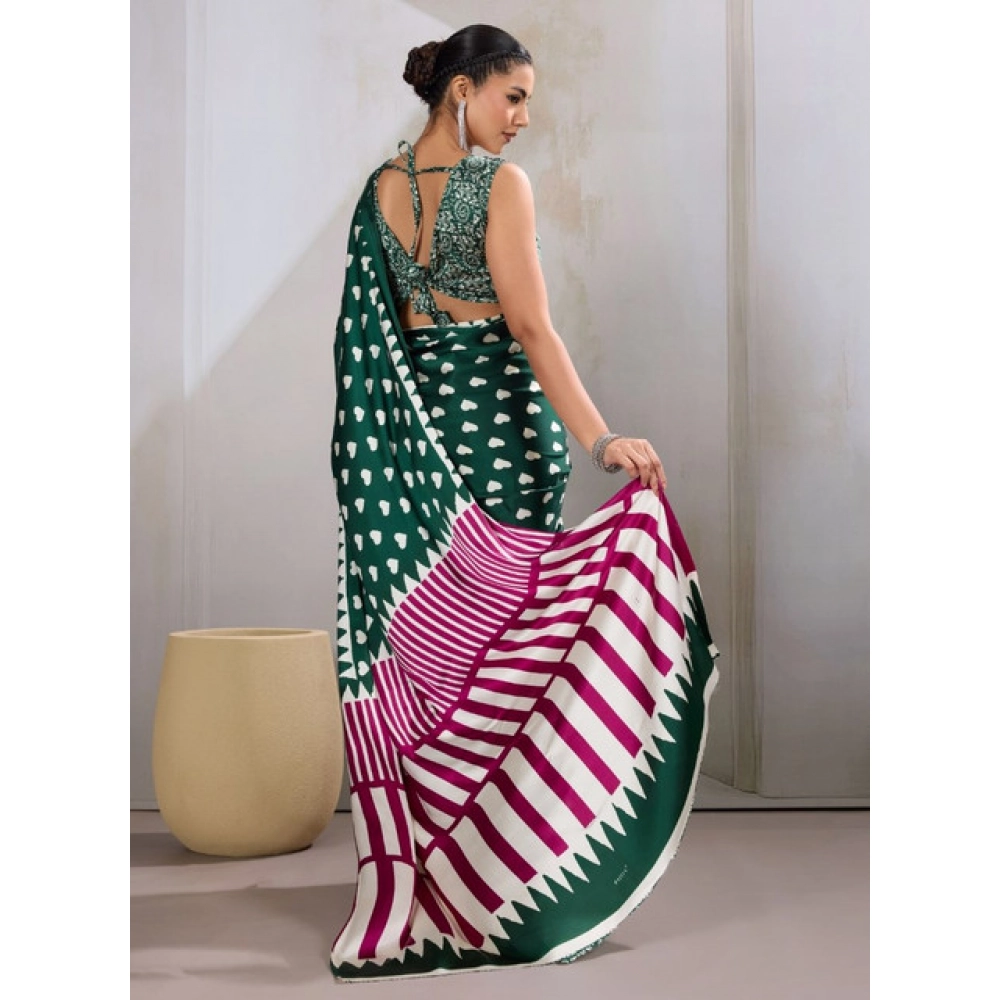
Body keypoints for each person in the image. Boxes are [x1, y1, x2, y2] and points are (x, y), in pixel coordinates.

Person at [329, 24, 719, 982]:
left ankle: (454, 877)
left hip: (415, 465)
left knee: (447, 668)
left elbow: (370, 350)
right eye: (514, 97)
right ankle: (514, 881)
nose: (525, 119)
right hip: (502, 442)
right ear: (462, 91)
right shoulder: (497, 187)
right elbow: (533, 330)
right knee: (516, 660)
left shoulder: (378, 195)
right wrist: (602, 438)